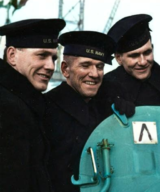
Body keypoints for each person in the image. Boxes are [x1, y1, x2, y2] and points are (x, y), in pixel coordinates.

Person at [44, 31, 115, 192]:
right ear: (65, 69)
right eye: (85, 65)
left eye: (100, 66)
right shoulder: (45, 109)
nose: (95, 74)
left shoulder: (107, 110)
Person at [0, 19, 65, 192]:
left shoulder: (25, 101)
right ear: (12, 55)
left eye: (53, 58)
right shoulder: (8, 107)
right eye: (41, 55)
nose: (51, 66)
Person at [102, 14, 160, 111]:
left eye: (147, 52)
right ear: (119, 58)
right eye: (134, 55)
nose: (143, 62)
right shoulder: (106, 88)